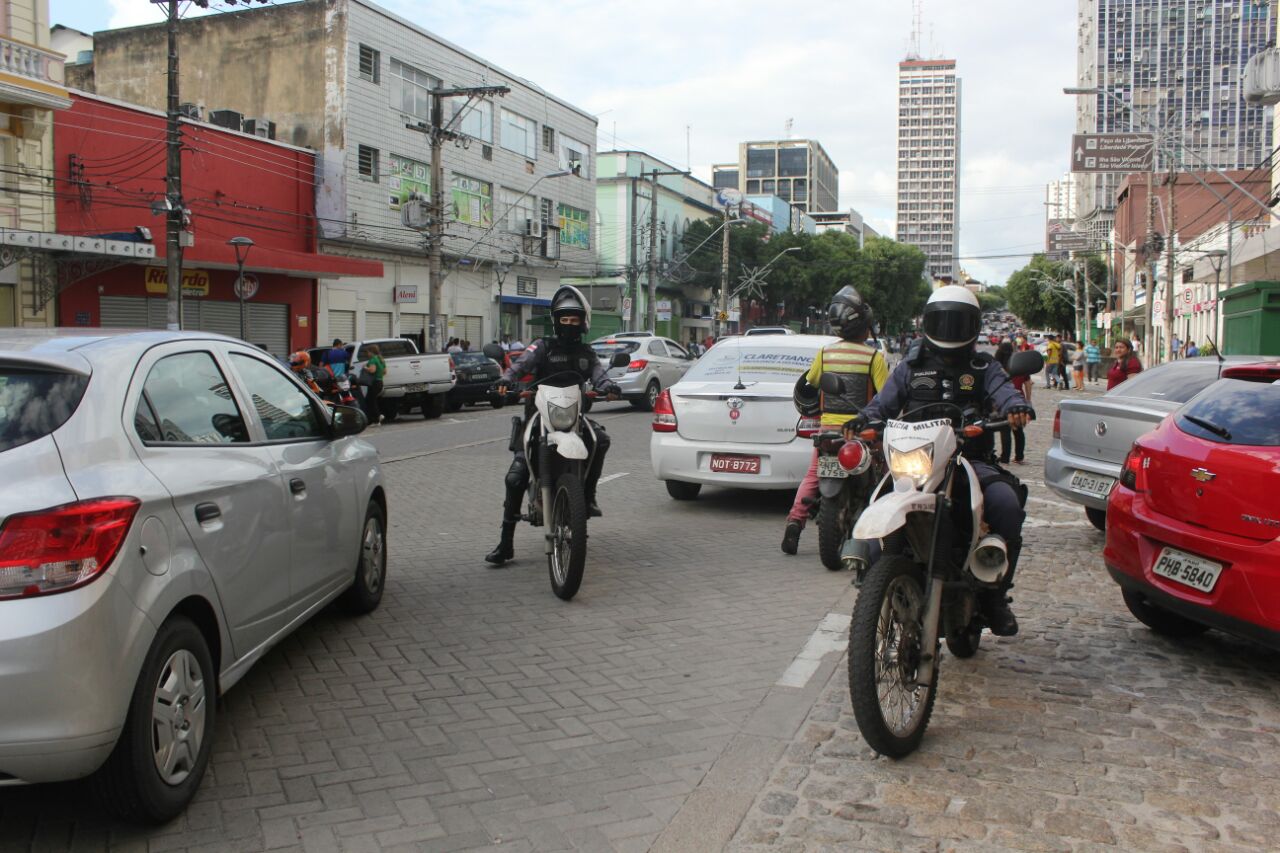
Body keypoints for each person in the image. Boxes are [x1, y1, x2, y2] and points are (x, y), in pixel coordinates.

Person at [846, 285, 1034, 636]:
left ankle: (995, 594)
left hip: (969, 460)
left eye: (958, 322)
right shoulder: (909, 368)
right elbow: (883, 406)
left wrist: (1015, 406)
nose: (949, 330)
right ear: (929, 323)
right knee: (873, 501)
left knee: (1006, 504)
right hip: (916, 459)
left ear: (973, 326)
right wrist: (863, 420)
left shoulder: (983, 366)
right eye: (942, 321)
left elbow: (1004, 390)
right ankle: (871, 575)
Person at [485, 285, 621, 566]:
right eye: (564, 319)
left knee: (601, 440)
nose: (568, 325)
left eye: (574, 319)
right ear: (556, 321)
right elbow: (519, 366)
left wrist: (609, 386)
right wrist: (506, 381)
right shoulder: (542, 347)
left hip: (572, 414)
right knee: (515, 477)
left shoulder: (587, 352)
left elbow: (599, 374)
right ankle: (505, 543)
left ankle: (588, 496)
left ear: (583, 321)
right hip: (539, 414)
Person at [781, 285, 889, 556]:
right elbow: (885, 397)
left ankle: (795, 521)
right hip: (861, 432)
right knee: (883, 470)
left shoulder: (826, 353)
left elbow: (812, 382)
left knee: (811, 476)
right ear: (864, 326)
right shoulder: (873, 357)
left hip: (828, 430)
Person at [994, 341, 1027, 465]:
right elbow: (1027, 382)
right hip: (1018, 399)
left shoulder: (997, 367)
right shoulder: (1018, 365)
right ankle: (1019, 456)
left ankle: (1005, 457)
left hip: (1002, 400)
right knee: (1018, 430)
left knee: (1005, 429)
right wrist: (1028, 399)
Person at [361, 343, 387, 424]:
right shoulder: (381, 359)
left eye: (368, 352)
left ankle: (377, 417)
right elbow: (385, 372)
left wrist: (365, 367)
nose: (367, 354)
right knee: (372, 400)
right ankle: (376, 417)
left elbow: (372, 370)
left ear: (372, 352)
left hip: (374, 383)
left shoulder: (373, 360)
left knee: (370, 401)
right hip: (380, 382)